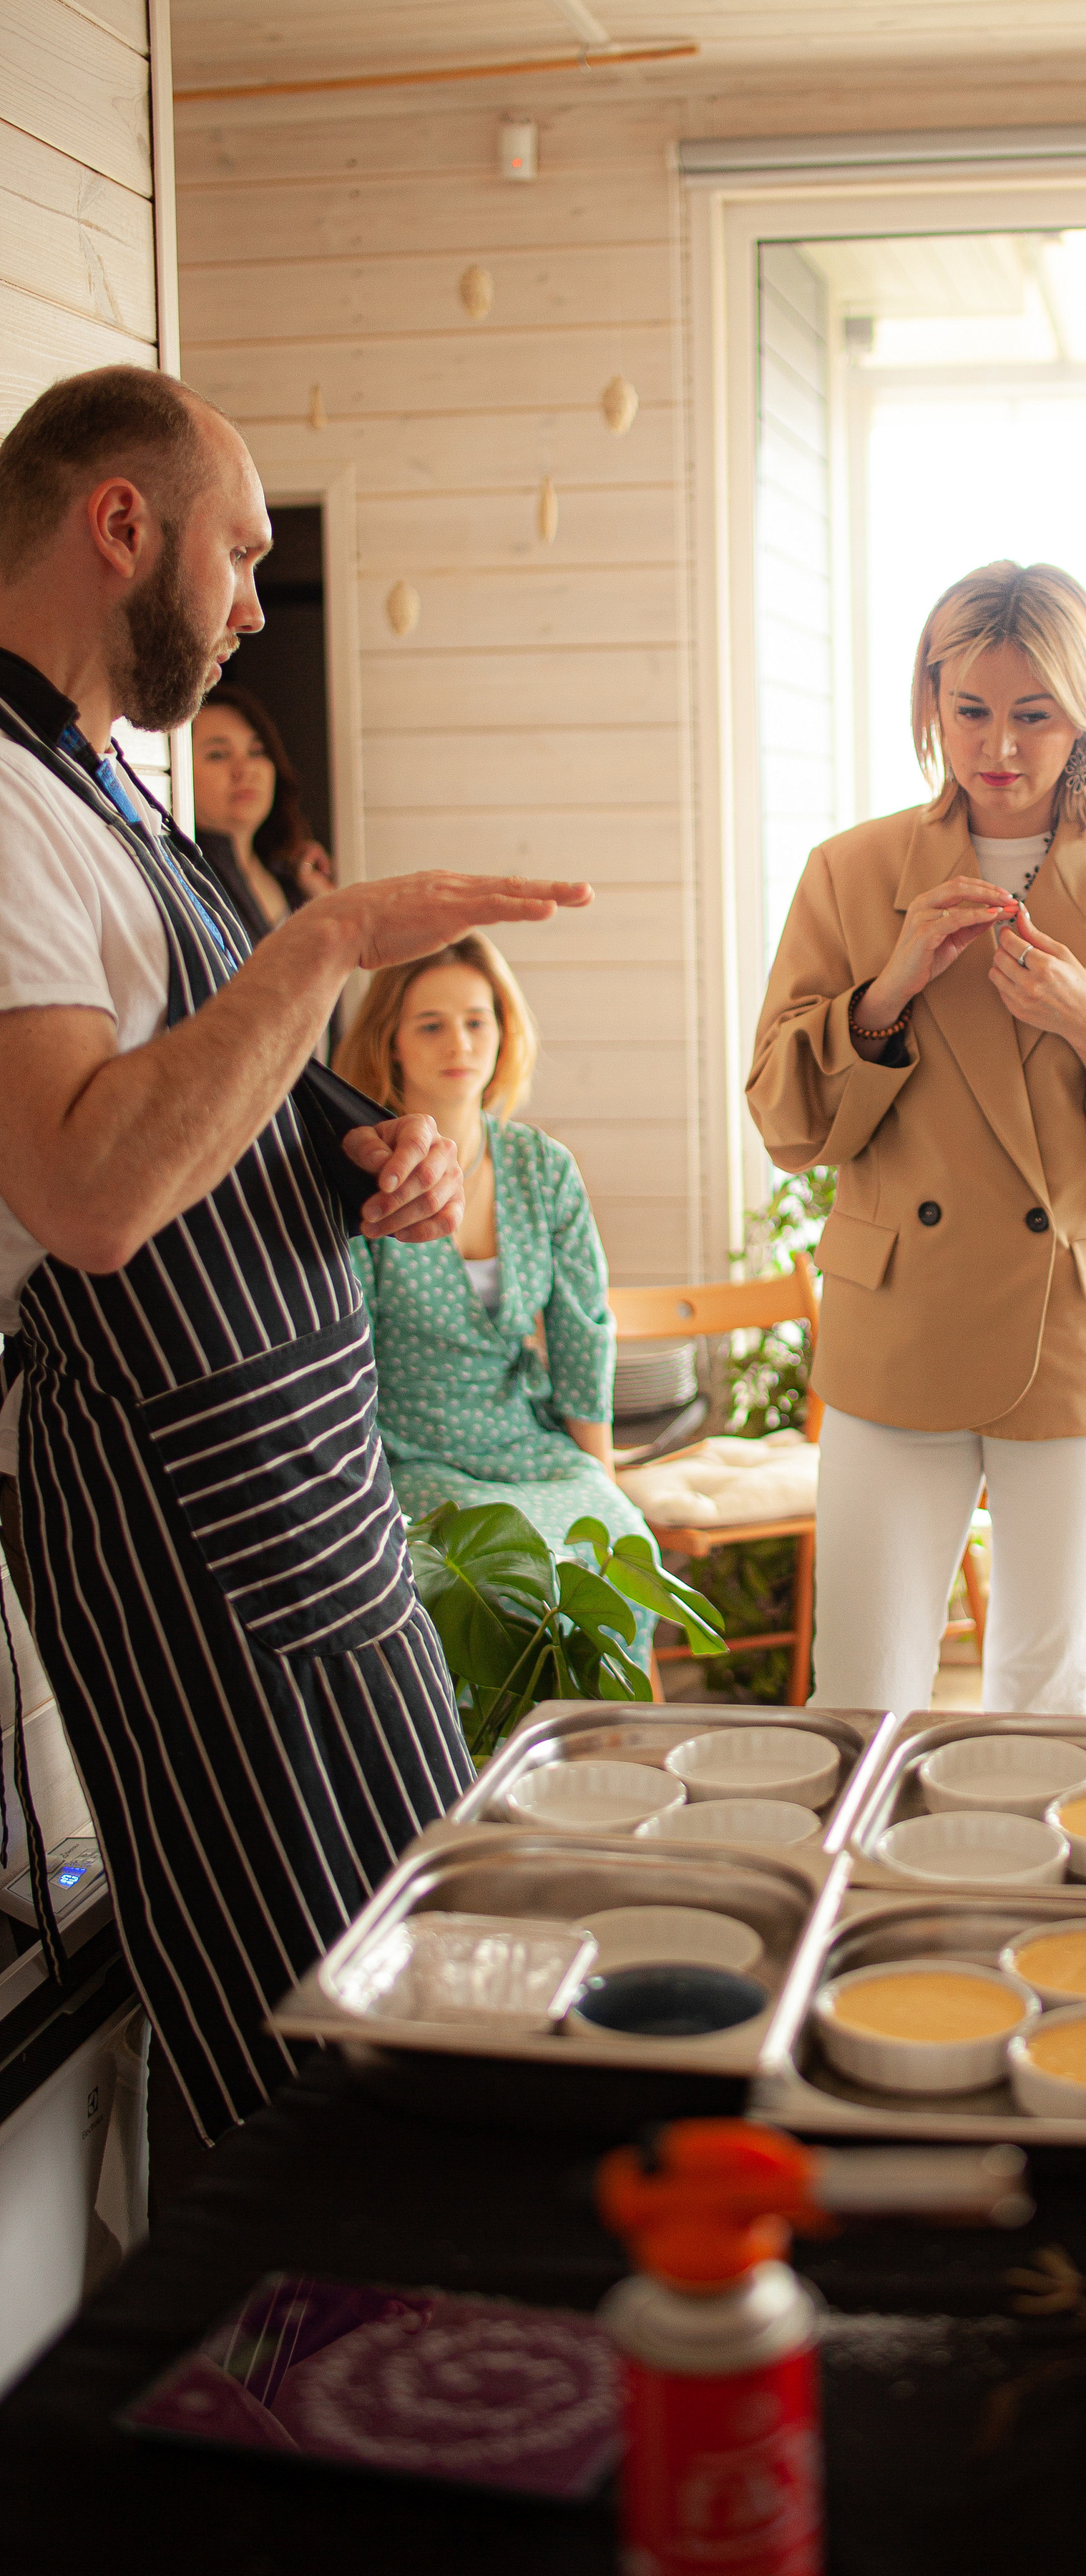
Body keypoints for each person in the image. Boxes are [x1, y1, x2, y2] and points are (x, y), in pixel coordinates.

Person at [0, 362, 591, 2170]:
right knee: (299, 2057)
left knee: (430, 1981)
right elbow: (89, 1189)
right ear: (123, 524)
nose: (255, 602)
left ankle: (445, 2381)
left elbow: (204, 1094)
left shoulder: (99, 782)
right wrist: (327, 936)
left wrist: (362, 1151)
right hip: (183, 1509)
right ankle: (288, 2416)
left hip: (310, 1489)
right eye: (238, 552)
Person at [747, 559, 1086, 1716]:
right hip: (899, 1324)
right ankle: (862, 1896)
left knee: (1042, 1694)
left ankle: (1019, 1902)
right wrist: (886, 993)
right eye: (969, 709)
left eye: (1035, 715)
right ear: (932, 702)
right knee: (860, 1690)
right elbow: (783, 1115)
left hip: (1078, 1332)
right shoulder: (854, 874)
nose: (1000, 748)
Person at [335, 936, 656, 1655]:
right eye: (431, 1024)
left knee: (621, 1545)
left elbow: (581, 1333)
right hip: (411, 1459)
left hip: (527, 1445)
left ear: (504, 1032)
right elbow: (344, 1359)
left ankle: (593, 1750)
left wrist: (599, 1479)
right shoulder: (364, 1180)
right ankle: (490, 1763)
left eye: (477, 1021)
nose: (459, 1042)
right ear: (390, 1042)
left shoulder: (540, 1168)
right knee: (505, 1574)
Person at [190, 679, 336, 944]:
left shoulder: (292, 879)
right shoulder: (183, 882)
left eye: (257, 752)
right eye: (218, 755)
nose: (245, 769)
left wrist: (322, 902)